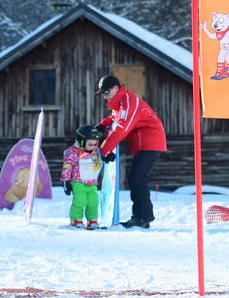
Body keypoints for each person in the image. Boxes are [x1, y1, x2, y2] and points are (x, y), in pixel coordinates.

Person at [95, 75, 167, 229]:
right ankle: (142, 217)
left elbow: (121, 128)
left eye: (106, 92)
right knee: (136, 177)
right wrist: (102, 125)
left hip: (151, 141)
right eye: (102, 93)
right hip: (142, 143)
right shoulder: (121, 103)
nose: (104, 96)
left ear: (116, 88)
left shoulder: (129, 102)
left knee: (137, 177)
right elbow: (116, 119)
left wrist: (102, 151)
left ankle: (143, 217)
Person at [61, 125, 103, 229]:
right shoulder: (74, 152)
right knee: (80, 200)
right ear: (81, 141)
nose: (93, 146)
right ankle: (76, 219)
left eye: (95, 144)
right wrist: (66, 181)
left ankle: (92, 219)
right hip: (78, 181)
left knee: (93, 201)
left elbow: (102, 159)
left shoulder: (95, 152)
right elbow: (67, 166)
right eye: (90, 144)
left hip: (92, 182)